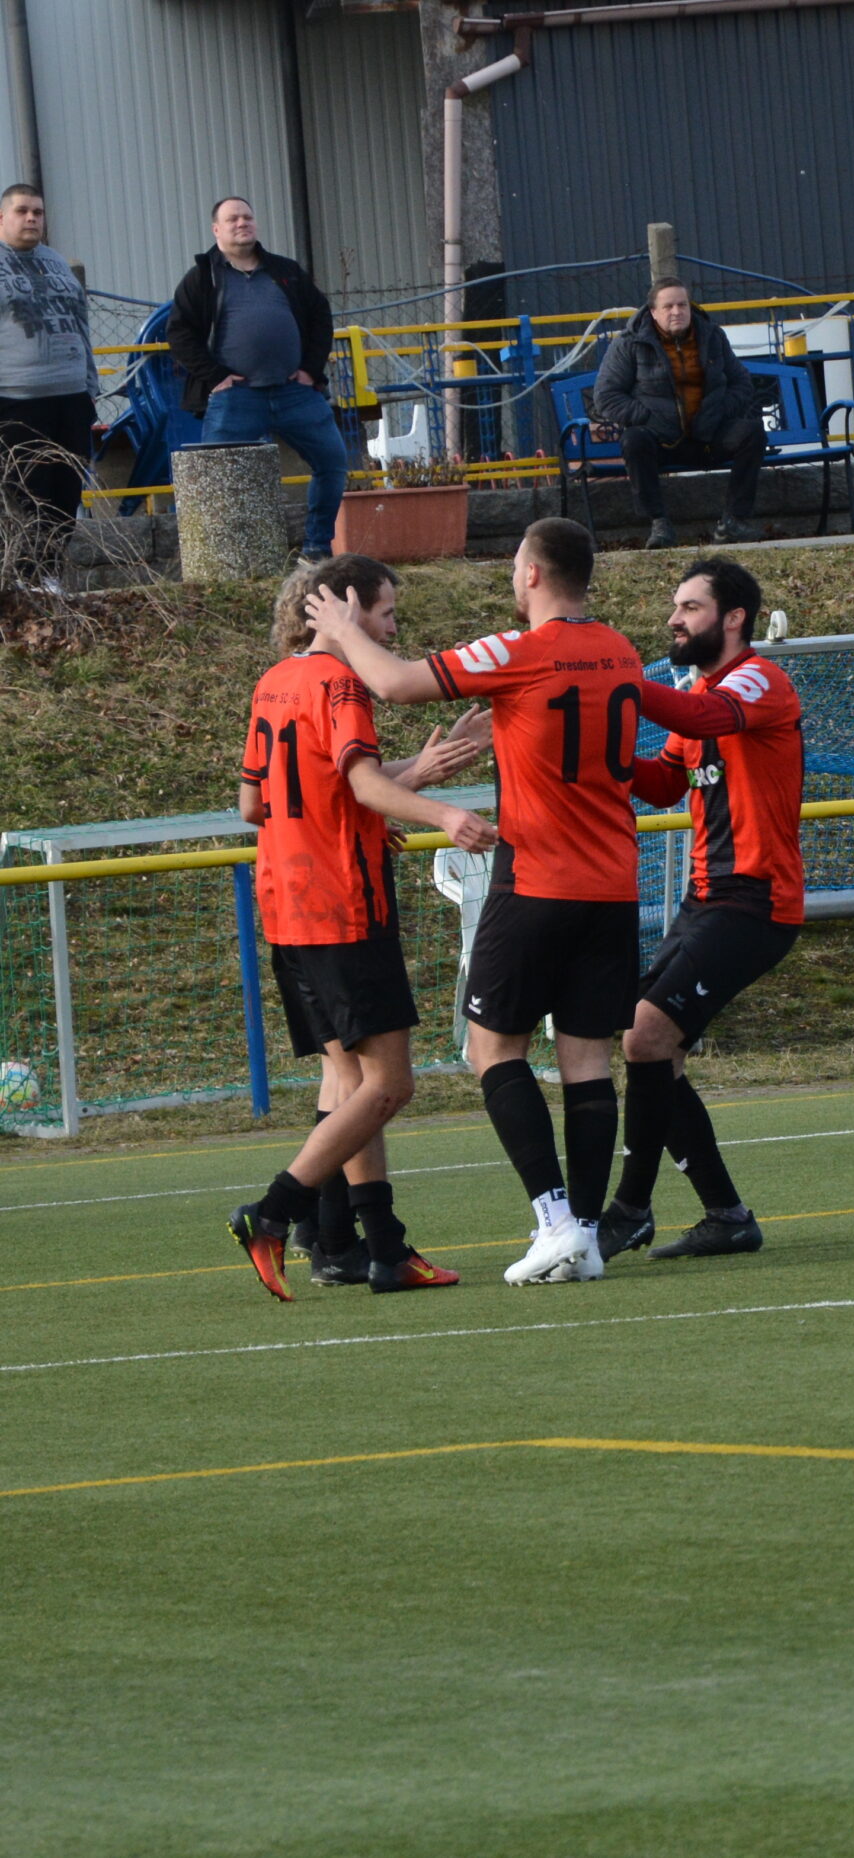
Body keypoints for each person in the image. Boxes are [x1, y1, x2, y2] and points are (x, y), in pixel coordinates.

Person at [310, 518, 648, 1288]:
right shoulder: (622, 650)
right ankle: (585, 1235)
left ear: (531, 573)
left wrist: (343, 627)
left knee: (492, 1051)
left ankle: (555, 1222)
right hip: (613, 885)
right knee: (588, 1063)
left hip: (537, 882)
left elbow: (396, 683)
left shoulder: (520, 650)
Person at [226, 553, 495, 1299]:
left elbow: (256, 804)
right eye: (386, 614)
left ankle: (372, 1248)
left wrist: (408, 778)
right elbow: (363, 783)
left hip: (287, 905)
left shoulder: (275, 682)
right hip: (343, 906)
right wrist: (440, 809)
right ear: (346, 610)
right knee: (390, 1084)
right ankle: (272, 1212)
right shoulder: (341, 683)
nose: (393, 630)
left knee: (349, 1080)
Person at [596, 557, 804, 1264]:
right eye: (676, 607)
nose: (674, 619)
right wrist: (600, 751)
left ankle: (629, 1210)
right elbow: (662, 781)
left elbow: (706, 717)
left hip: (754, 901)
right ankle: (727, 1215)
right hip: (707, 901)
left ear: (734, 617)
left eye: (689, 607)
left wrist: (618, 684)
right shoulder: (701, 692)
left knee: (645, 1037)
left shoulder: (756, 681)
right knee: (657, 1053)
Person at [165, 197, 346, 564]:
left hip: (295, 393)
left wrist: (311, 370)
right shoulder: (202, 278)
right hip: (236, 398)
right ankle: (224, 563)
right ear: (216, 229)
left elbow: (320, 317)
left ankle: (317, 549)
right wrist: (215, 376)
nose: (242, 223)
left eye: (247, 217)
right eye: (232, 219)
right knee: (217, 481)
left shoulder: (286, 271)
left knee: (333, 462)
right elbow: (179, 334)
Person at [591, 278, 766, 550]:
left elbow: (741, 383)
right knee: (634, 440)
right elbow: (606, 396)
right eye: (668, 306)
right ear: (653, 312)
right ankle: (659, 523)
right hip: (659, 440)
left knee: (752, 433)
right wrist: (648, 418)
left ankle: (734, 520)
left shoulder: (712, 336)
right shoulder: (629, 343)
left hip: (708, 435)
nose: (677, 312)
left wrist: (719, 410)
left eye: (682, 305)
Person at [0, 184, 99, 581]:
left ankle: (50, 577)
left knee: (65, 495)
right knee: (26, 496)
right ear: (2, 218)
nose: (31, 218)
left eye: (38, 212)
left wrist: (90, 388)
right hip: (16, 400)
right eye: (22, 211)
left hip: (71, 399)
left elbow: (81, 326)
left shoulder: (56, 263)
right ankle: (24, 580)